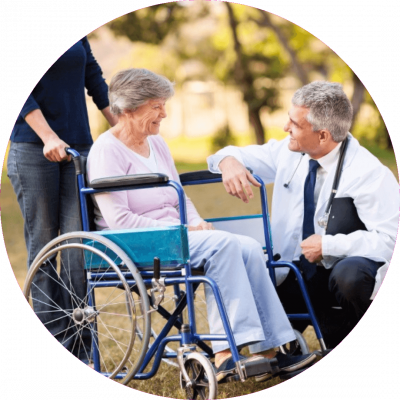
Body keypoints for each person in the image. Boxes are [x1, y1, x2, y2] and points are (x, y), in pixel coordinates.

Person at [86, 68, 317, 382]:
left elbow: (179, 196)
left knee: (248, 247)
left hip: (174, 235)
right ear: (128, 108)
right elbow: (120, 220)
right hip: (136, 241)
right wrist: (182, 231)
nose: (164, 113)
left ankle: (270, 349)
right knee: (222, 246)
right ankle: (224, 353)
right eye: (156, 106)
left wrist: (194, 221)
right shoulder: (105, 151)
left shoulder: (157, 143)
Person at [207, 81, 399, 348]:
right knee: (252, 284)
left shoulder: (368, 173)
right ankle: (289, 343)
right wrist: (228, 163)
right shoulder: (288, 152)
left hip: (338, 276)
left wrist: (330, 245)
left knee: (351, 275)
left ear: (322, 135)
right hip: (294, 272)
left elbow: (390, 240)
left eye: (294, 124)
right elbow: (231, 153)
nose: (286, 128)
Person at [8, 36, 118, 365]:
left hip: (79, 150)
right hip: (33, 148)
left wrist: (125, 128)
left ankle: (85, 353)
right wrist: (48, 136)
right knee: (45, 248)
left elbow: (94, 79)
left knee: (78, 254)